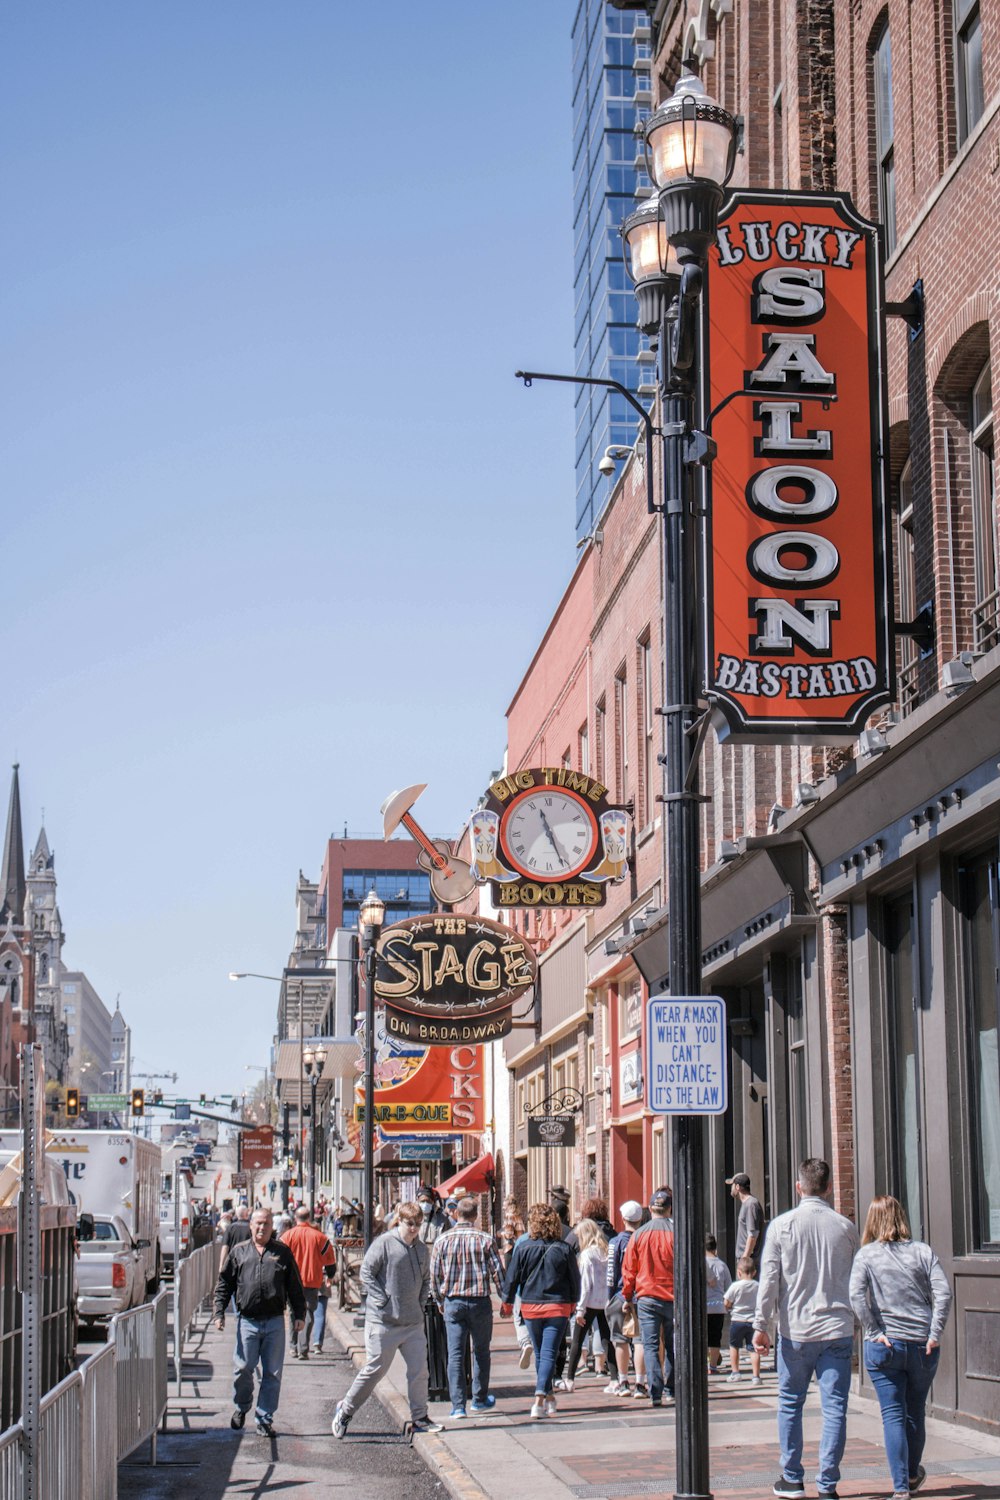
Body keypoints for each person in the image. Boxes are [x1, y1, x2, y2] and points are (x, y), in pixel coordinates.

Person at [752, 1157, 860, 1500]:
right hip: (837, 1328)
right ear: (828, 1188)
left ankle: (792, 1477)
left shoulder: (782, 1226)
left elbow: (768, 1281)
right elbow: (856, 1281)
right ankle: (827, 1484)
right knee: (835, 1408)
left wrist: (760, 1324)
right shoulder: (845, 1227)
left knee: (790, 1402)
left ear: (799, 1187)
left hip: (796, 1329)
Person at [849, 1194, 952, 1500]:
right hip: (923, 1344)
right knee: (915, 1411)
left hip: (886, 1345)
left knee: (893, 1414)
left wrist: (874, 1329)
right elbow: (943, 1293)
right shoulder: (923, 1251)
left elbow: (856, 1295)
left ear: (872, 1220)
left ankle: (900, 1487)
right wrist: (934, 1333)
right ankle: (910, 1471)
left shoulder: (866, 1256)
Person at [331, 1201, 443, 1439]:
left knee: (419, 1371)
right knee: (374, 1370)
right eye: (409, 1224)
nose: (413, 1229)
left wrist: (420, 1304)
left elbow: (425, 1280)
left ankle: (420, 1416)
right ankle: (346, 1410)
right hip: (383, 1322)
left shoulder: (422, 1250)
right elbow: (366, 1273)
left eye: (418, 1224)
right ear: (399, 1221)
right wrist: (382, 1299)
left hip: (412, 1322)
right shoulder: (384, 1244)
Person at [213, 1207, 306, 1438]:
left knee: (272, 1374)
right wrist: (219, 1312)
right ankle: (242, 1406)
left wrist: (300, 1314)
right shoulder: (239, 1252)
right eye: (258, 1224)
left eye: (266, 1223)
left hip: (275, 1321)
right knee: (243, 1368)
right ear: (251, 1226)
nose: (262, 1228)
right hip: (248, 1321)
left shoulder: (282, 1252)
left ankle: (264, 1418)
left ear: (272, 1226)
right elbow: (225, 1283)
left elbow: (294, 1285)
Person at [501, 1203, 581, 1420]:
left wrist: (507, 1302)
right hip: (558, 1306)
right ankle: (540, 1398)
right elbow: (575, 1280)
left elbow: (512, 1278)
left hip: (531, 1306)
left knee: (541, 1353)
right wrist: (574, 1303)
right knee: (548, 1354)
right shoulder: (564, 1249)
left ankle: (548, 1397)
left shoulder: (524, 1247)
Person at [430, 1196, 505, 1419]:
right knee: (481, 1352)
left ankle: (458, 1405)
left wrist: (439, 1300)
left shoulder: (442, 1240)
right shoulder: (485, 1239)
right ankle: (479, 1400)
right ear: (475, 1216)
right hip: (480, 1302)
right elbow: (498, 1273)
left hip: (453, 1301)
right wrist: (505, 1300)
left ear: (457, 1214)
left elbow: (434, 1275)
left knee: (455, 1354)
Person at [621, 1187, 675, 1408]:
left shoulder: (639, 1235)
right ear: (669, 1209)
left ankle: (655, 1392)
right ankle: (671, 1390)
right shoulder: (676, 1233)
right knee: (672, 1345)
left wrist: (627, 1296)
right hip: (673, 1297)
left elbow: (629, 1270)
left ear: (651, 1209)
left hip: (647, 1298)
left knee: (651, 1345)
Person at [560, 1217, 610, 1390]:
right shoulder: (606, 1251)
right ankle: (617, 1379)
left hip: (589, 1303)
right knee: (606, 1339)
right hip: (605, 1302)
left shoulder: (586, 1255)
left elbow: (585, 1284)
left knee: (577, 1340)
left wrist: (579, 1309)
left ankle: (570, 1379)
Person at [281, 1205, 336, 1357]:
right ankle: (303, 1347)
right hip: (312, 1280)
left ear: (295, 1218)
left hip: (291, 1281)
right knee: (309, 1312)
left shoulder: (287, 1236)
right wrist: (330, 1276)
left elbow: (278, 1258)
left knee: (293, 1311)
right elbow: (330, 1261)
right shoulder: (320, 1237)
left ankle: (293, 1346)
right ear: (309, 1218)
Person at [605, 1200, 647, 1397]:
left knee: (619, 1340)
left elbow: (611, 1271)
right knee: (640, 1340)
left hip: (620, 1294)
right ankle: (640, 1382)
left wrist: (609, 1296)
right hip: (641, 1295)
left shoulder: (615, 1242)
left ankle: (623, 1381)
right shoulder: (644, 1239)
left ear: (623, 1219)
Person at [725, 1255, 762, 1383]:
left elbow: (727, 1301)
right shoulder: (758, 1286)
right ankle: (756, 1376)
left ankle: (736, 1372)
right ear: (754, 1272)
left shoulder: (736, 1286)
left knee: (734, 1346)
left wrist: (729, 1307)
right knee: (753, 1348)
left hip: (737, 1320)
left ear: (738, 1272)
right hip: (753, 1321)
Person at [705, 1235, 731, 1375]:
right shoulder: (722, 1265)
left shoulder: (700, 1263)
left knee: (702, 1337)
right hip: (718, 1307)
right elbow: (728, 1287)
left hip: (703, 1307)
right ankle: (713, 1367)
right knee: (715, 1338)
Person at [727, 1172, 765, 1264]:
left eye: (732, 1185)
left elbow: (753, 1234)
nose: (731, 1188)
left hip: (749, 1262)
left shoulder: (751, 1204)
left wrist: (744, 1259)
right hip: (747, 1260)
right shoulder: (748, 1204)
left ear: (737, 1187)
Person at [219, 1204, 252, 1271]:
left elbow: (225, 1247)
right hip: (249, 1261)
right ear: (247, 1214)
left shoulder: (230, 1228)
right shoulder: (252, 1227)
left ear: (236, 1215)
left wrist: (221, 1265)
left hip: (233, 1261)